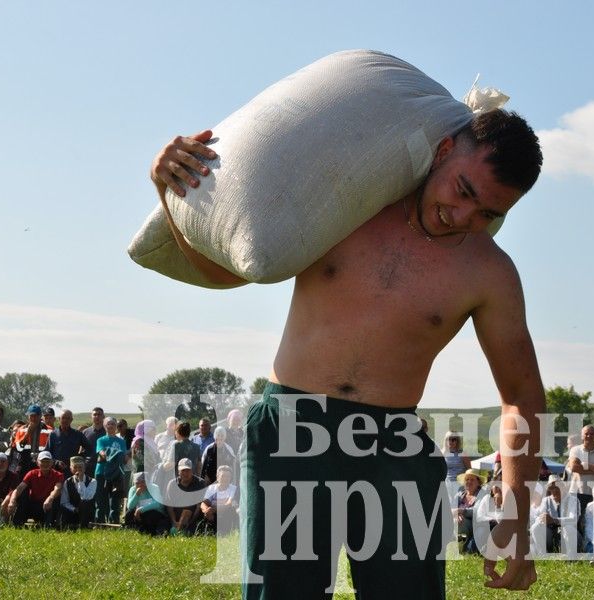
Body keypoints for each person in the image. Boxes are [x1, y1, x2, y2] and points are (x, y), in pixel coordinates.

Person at [153, 107, 545, 596]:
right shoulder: (345, 208)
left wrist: (515, 516)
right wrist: (168, 194)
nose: (463, 217)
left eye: (489, 213)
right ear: (444, 152)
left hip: (393, 444)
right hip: (290, 430)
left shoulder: (490, 271)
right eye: (463, 191)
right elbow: (225, 272)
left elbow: (522, 395)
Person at [10, 450, 63, 528]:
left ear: (52, 463)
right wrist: (12, 501)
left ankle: (49, 524)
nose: (45, 464)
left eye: (47, 461)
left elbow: (57, 489)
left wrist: (50, 498)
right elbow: (19, 488)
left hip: (48, 505)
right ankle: (17, 524)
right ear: (38, 463)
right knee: (23, 495)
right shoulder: (31, 473)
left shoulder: (58, 475)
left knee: (56, 498)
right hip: (33, 505)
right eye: (43, 461)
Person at [530, 474, 580, 556]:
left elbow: (574, 519)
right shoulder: (545, 501)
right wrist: (542, 519)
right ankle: (543, 555)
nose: (554, 491)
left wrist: (554, 520)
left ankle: (570, 558)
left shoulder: (572, 500)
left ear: (563, 487)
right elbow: (538, 516)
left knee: (568, 528)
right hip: (552, 536)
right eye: (551, 488)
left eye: (557, 487)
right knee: (535, 527)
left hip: (571, 537)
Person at [94, 417, 128, 524]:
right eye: (108, 424)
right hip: (102, 473)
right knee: (101, 499)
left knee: (115, 499)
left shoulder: (121, 441)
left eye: (113, 424)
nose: (111, 426)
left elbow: (124, 458)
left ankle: (114, 521)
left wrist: (114, 454)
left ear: (116, 426)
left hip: (117, 474)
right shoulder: (101, 440)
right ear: (105, 426)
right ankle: (100, 521)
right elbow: (102, 454)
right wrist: (115, 455)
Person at [165, 458, 207, 535]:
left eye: (188, 470)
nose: (185, 473)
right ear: (178, 472)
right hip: (175, 518)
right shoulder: (172, 484)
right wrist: (174, 521)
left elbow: (199, 506)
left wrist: (191, 522)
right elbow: (169, 505)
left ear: (192, 471)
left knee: (192, 532)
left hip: (194, 518)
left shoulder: (200, 483)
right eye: (183, 470)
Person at [8, 404, 52, 477]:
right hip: (25, 464)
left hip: (43, 464)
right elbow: (18, 449)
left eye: (36, 415)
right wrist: (28, 433)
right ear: (28, 416)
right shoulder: (21, 430)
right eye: (31, 416)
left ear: (40, 416)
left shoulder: (49, 430)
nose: (34, 418)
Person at [47, 409, 91, 479]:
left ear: (71, 420)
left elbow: (89, 449)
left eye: (68, 418)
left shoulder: (78, 434)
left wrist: (80, 458)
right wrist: (56, 462)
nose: (65, 420)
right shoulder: (53, 434)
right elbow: (48, 453)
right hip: (56, 472)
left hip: (73, 472)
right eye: (63, 418)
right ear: (59, 419)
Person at [59, 456, 97, 530]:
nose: (78, 470)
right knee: (62, 508)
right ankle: (64, 527)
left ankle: (83, 527)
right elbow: (64, 501)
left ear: (84, 468)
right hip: (73, 511)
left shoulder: (92, 481)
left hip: (87, 512)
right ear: (71, 469)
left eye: (80, 467)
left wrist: (80, 481)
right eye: (75, 467)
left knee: (84, 503)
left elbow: (86, 497)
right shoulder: (67, 482)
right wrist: (74, 509)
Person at [453, 468, 485, 554]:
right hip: (459, 521)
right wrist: (457, 514)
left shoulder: (482, 494)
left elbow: (477, 511)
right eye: (467, 479)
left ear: (478, 483)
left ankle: (461, 548)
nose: (469, 482)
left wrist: (461, 511)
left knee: (460, 523)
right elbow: (452, 509)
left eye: (472, 479)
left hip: (476, 525)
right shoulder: (460, 494)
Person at [199, 465, 239, 534]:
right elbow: (204, 503)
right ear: (217, 477)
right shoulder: (211, 488)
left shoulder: (233, 489)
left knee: (229, 510)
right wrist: (206, 511)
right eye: (223, 476)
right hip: (212, 514)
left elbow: (228, 504)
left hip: (226, 514)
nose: (225, 479)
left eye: (228, 477)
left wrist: (213, 509)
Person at [82, 407, 106, 477]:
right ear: (91, 417)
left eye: (99, 414)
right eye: (94, 415)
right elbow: (81, 450)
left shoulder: (107, 432)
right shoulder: (85, 432)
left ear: (103, 417)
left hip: (104, 467)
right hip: (88, 467)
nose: (97, 416)